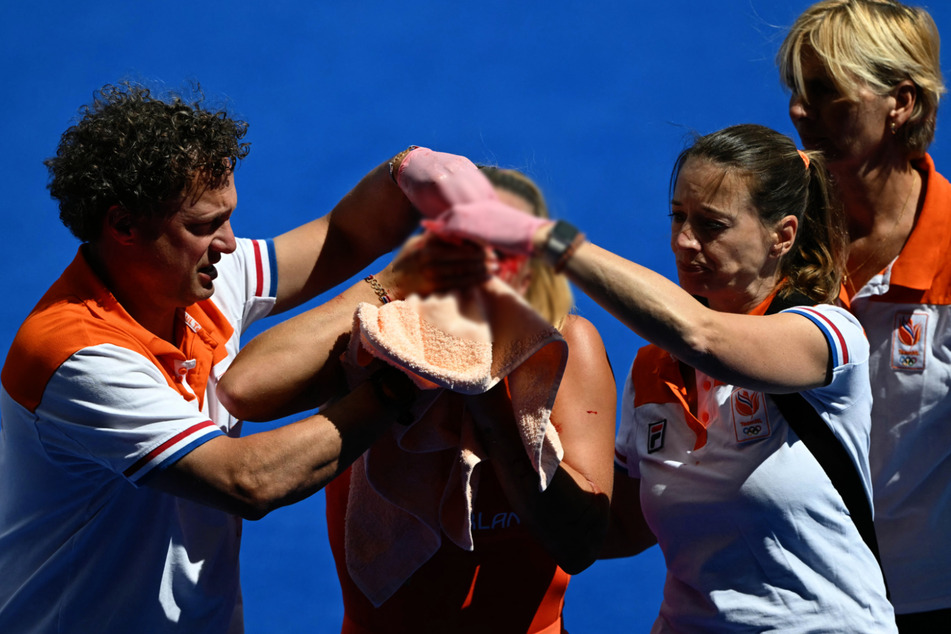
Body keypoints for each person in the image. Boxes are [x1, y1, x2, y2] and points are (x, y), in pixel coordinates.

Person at [0, 81, 460, 633]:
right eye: (202, 226)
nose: (227, 243)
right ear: (123, 226)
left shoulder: (202, 277)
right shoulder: (76, 358)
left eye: (227, 217)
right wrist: (402, 382)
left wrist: (412, 171)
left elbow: (342, 238)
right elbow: (251, 481)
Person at [406, 127, 896, 631]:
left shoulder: (831, 337)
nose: (685, 240)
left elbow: (701, 334)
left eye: (712, 225)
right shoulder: (652, 370)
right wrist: (493, 419)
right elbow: (607, 530)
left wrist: (538, 237)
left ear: (782, 236)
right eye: (679, 217)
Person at [219, 165, 617, 633]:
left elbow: (579, 543)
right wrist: (390, 286)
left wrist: (482, 393)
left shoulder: (564, 347)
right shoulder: (379, 339)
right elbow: (244, 389)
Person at [777, 2, 949, 629]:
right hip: (791, 606)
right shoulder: (771, 244)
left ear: (900, 103)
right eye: (796, 90)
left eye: (824, 92)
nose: (799, 110)